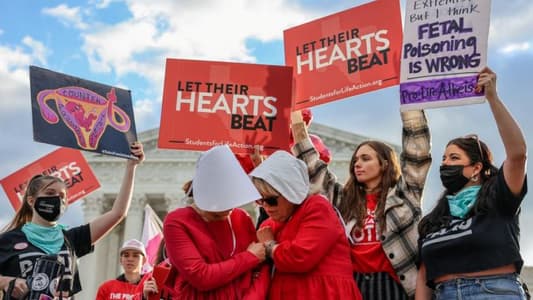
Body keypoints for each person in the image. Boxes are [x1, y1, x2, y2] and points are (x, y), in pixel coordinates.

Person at [291, 107, 431, 299]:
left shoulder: (404, 196)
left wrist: (411, 104)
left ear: (385, 164)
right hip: (354, 286)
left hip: (394, 287)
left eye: (366, 159)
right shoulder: (343, 201)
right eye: (356, 159)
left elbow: (417, 152)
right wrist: (296, 122)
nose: (357, 164)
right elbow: (313, 169)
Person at [416, 68, 528, 299]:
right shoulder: (433, 221)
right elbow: (424, 274)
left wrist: (493, 99)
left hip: (493, 292)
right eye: (444, 159)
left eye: (454, 158)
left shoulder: (499, 198)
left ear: (477, 168)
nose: (446, 164)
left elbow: (517, 154)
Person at [0, 142, 144, 299]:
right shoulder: (9, 240)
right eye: (50, 193)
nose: (56, 199)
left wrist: (131, 167)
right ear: (31, 200)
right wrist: (5, 281)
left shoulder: (71, 239)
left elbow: (118, 213)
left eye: (62, 196)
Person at [251, 151, 362, 300]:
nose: (266, 207)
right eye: (260, 200)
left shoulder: (317, 206)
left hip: (324, 293)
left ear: (290, 191)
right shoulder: (268, 224)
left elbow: (301, 257)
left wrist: (269, 246)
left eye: (271, 200)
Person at [162, 145, 269, 299]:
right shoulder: (177, 221)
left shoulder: (241, 218)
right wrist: (249, 257)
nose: (231, 207)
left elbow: (260, 269)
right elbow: (200, 276)